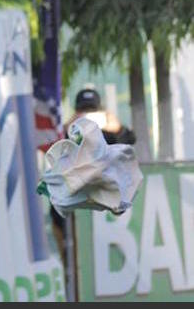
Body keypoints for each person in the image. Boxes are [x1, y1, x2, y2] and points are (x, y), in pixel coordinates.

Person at [50, 87, 136, 280]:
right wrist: (69, 128)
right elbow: (57, 152)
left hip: (109, 198)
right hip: (79, 197)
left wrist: (117, 127)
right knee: (57, 211)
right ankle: (68, 263)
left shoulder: (108, 133)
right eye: (84, 113)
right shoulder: (72, 133)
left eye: (93, 112)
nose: (90, 119)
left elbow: (130, 140)